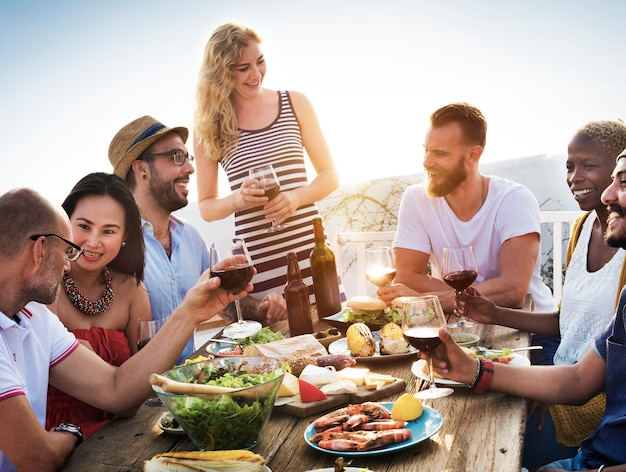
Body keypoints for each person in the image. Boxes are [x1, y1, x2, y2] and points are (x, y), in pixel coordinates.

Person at [0, 187, 245, 472]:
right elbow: (38, 460)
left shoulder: (35, 317)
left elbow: (117, 390)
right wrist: (72, 433)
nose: (68, 265)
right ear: (39, 250)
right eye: (66, 252)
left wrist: (190, 312)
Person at [424, 149, 626, 471]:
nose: (607, 194)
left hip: (595, 425)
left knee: (481, 435)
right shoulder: (586, 231)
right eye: (570, 166)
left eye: (624, 182)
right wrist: (488, 332)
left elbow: (587, 384)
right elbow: (573, 348)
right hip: (577, 396)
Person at [108, 115, 287, 362]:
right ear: (141, 169)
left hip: (190, 381)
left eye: (187, 158)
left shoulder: (190, 236)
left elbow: (221, 301)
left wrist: (259, 308)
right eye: (176, 157)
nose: (190, 168)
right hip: (141, 393)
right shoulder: (113, 245)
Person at [193, 22, 341, 303]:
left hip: (312, 253)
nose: (255, 73)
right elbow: (207, 208)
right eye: (243, 67)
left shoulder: (295, 103)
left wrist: (296, 197)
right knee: (275, 345)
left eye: (259, 62)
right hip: (259, 266)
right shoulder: (208, 129)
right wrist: (238, 199)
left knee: (332, 338)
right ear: (222, 72)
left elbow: (330, 175)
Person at [378, 102, 556, 313]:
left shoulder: (514, 199)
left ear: (473, 155)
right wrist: (477, 294)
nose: (426, 162)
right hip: (457, 325)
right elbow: (407, 277)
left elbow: (512, 292)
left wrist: (425, 301)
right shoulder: (417, 199)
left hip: (530, 328)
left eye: (440, 154)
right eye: (426, 151)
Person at [45, 172, 150, 437]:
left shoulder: (132, 291)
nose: (93, 241)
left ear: (126, 236)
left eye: (109, 231)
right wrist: (120, 376)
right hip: (57, 437)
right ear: (65, 222)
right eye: (84, 226)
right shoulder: (45, 286)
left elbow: (147, 374)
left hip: (124, 433)